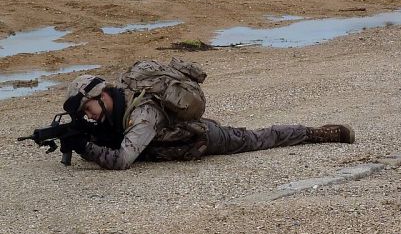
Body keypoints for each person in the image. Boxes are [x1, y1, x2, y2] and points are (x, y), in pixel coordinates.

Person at [61, 73, 355, 170]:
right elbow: (114, 138)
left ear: (101, 95)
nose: (89, 115)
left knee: (258, 138)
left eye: (88, 108)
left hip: (205, 138)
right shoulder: (120, 105)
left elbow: (123, 159)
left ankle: (316, 133)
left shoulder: (141, 114)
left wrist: (85, 148)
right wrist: (89, 136)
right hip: (179, 138)